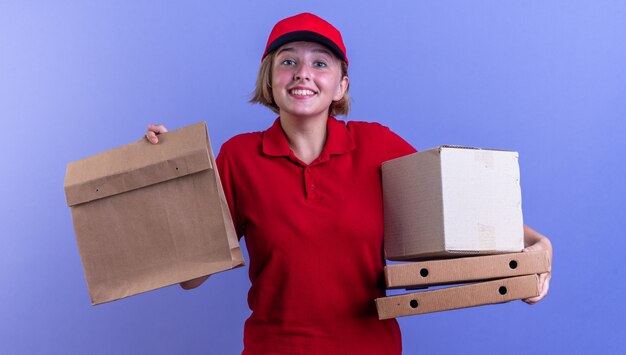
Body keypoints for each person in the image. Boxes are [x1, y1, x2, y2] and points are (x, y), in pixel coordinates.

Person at [145, 12, 552, 355]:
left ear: (341, 85)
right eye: (288, 61)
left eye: (320, 63)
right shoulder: (239, 157)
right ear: (269, 80)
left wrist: (535, 243)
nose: (303, 73)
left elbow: (457, 211)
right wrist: (171, 176)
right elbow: (190, 277)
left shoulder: (376, 145)